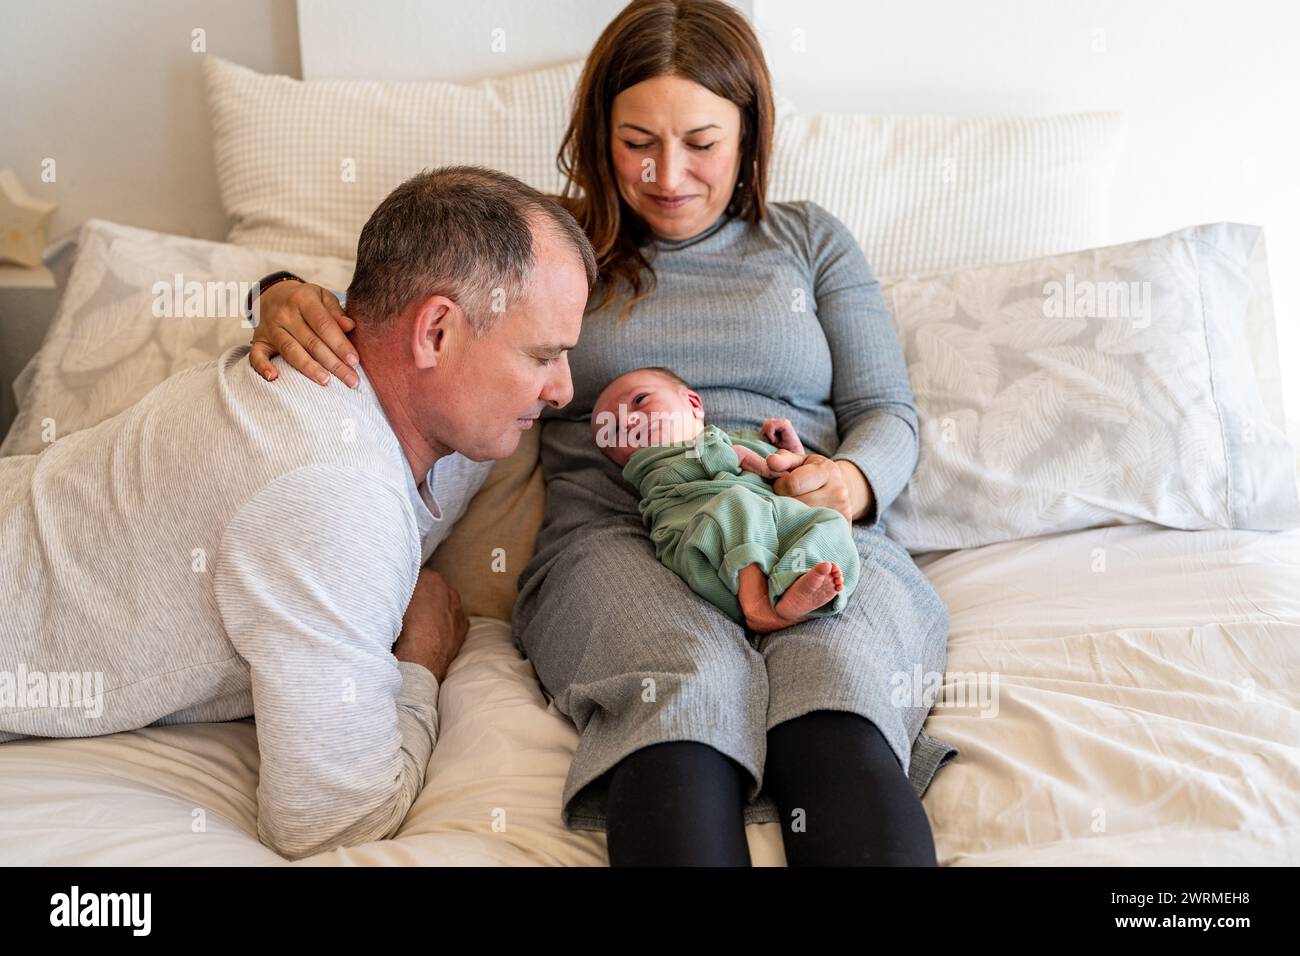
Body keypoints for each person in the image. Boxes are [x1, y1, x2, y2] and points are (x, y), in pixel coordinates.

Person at [246, 0, 958, 866]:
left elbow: (889, 410)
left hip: (803, 517)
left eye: (701, 143)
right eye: (636, 142)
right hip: (619, 533)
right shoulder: (549, 237)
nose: (667, 175)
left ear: (751, 132)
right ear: (596, 131)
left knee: (836, 698)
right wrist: (278, 290)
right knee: (682, 689)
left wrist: (850, 483)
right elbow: (410, 307)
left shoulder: (810, 240)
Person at [0, 165, 596, 861]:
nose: (563, 389)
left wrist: (275, 288)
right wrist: (421, 661)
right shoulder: (334, 495)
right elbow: (334, 822)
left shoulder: (381, 360)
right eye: (543, 356)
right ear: (434, 332)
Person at [591, 365, 860, 632]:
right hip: (711, 552)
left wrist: (790, 453)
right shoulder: (652, 467)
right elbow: (712, 461)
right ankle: (759, 607)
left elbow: (789, 481)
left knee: (831, 523)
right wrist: (745, 457)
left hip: (773, 538)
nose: (628, 422)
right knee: (735, 502)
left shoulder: (732, 440)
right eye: (614, 430)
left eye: (640, 400)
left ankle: (796, 587)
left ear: (693, 403)